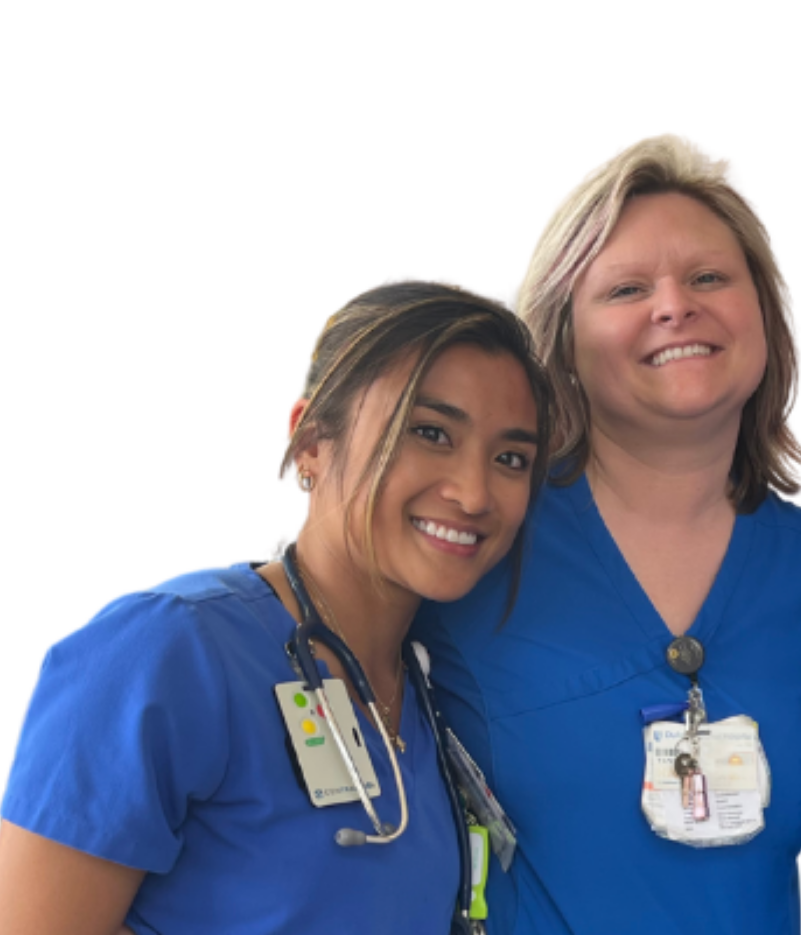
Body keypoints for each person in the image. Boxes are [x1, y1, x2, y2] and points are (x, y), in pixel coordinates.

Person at [0, 281, 555, 935]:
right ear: (311, 441)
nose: (473, 492)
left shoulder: (428, 702)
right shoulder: (167, 653)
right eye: (430, 432)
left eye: (511, 458)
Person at [412, 136, 801, 934]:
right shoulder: (481, 535)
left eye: (709, 278)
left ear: (761, 311)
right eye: (626, 289)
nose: (674, 306)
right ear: (562, 339)